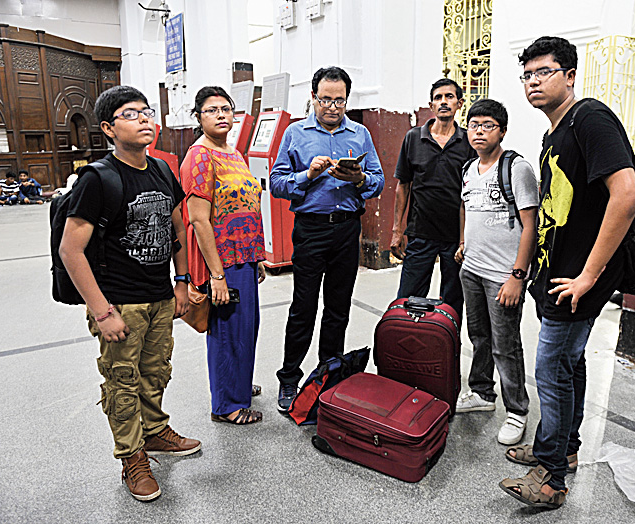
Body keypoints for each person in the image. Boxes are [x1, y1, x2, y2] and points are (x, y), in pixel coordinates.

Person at [499, 37, 635, 509]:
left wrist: (587, 277)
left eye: (544, 71)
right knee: (569, 363)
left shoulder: (590, 118)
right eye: (527, 74)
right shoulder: (554, 132)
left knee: (551, 366)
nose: (534, 81)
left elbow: (628, 194)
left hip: (578, 280)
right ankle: (567, 449)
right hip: (556, 275)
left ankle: (551, 477)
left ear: (569, 75)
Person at [59, 85, 200, 502]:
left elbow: (177, 228)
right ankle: (131, 457)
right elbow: (71, 249)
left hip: (160, 296)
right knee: (122, 383)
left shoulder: (161, 170)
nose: (143, 119)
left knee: (155, 372)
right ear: (108, 127)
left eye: (146, 111)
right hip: (120, 302)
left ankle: (155, 432)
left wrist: (182, 282)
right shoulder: (98, 178)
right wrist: (102, 312)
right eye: (130, 114)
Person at [270, 66, 385, 413]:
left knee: (338, 307)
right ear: (313, 97)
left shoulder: (360, 133)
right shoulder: (296, 133)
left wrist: (360, 177)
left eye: (340, 100)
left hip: (347, 228)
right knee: (303, 308)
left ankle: (328, 375)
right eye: (325, 99)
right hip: (310, 229)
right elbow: (276, 183)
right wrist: (309, 174)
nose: (333, 107)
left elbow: (378, 181)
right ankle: (289, 378)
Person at [453, 99, 538, 448]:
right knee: (480, 337)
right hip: (471, 270)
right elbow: (465, 208)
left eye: (487, 125)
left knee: (506, 345)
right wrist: (462, 242)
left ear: (502, 130)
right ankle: (482, 393)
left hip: (503, 275)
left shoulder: (516, 168)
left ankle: (517, 410)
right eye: (473, 125)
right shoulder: (469, 168)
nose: (479, 132)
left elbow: (531, 224)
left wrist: (518, 275)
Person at [180, 86, 266, 425]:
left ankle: (239, 383)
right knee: (227, 330)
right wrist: (216, 275)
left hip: (244, 256)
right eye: (212, 110)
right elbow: (199, 219)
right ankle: (227, 404)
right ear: (199, 117)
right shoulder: (200, 156)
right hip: (222, 261)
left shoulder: (234, 153)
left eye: (226, 109)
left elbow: (246, 204)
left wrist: (256, 256)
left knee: (246, 327)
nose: (221, 115)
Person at [391, 78, 475, 319]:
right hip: (420, 233)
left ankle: (447, 353)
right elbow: (403, 186)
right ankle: (408, 351)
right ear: (431, 104)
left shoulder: (468, 141)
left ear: (459, 103)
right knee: (406, 302)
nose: (443, 102)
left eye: (449, 97)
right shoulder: (413, 138)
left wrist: (465, 239)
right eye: (438, 98)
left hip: (455, 238)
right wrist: (398, 230)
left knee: (452, 307)